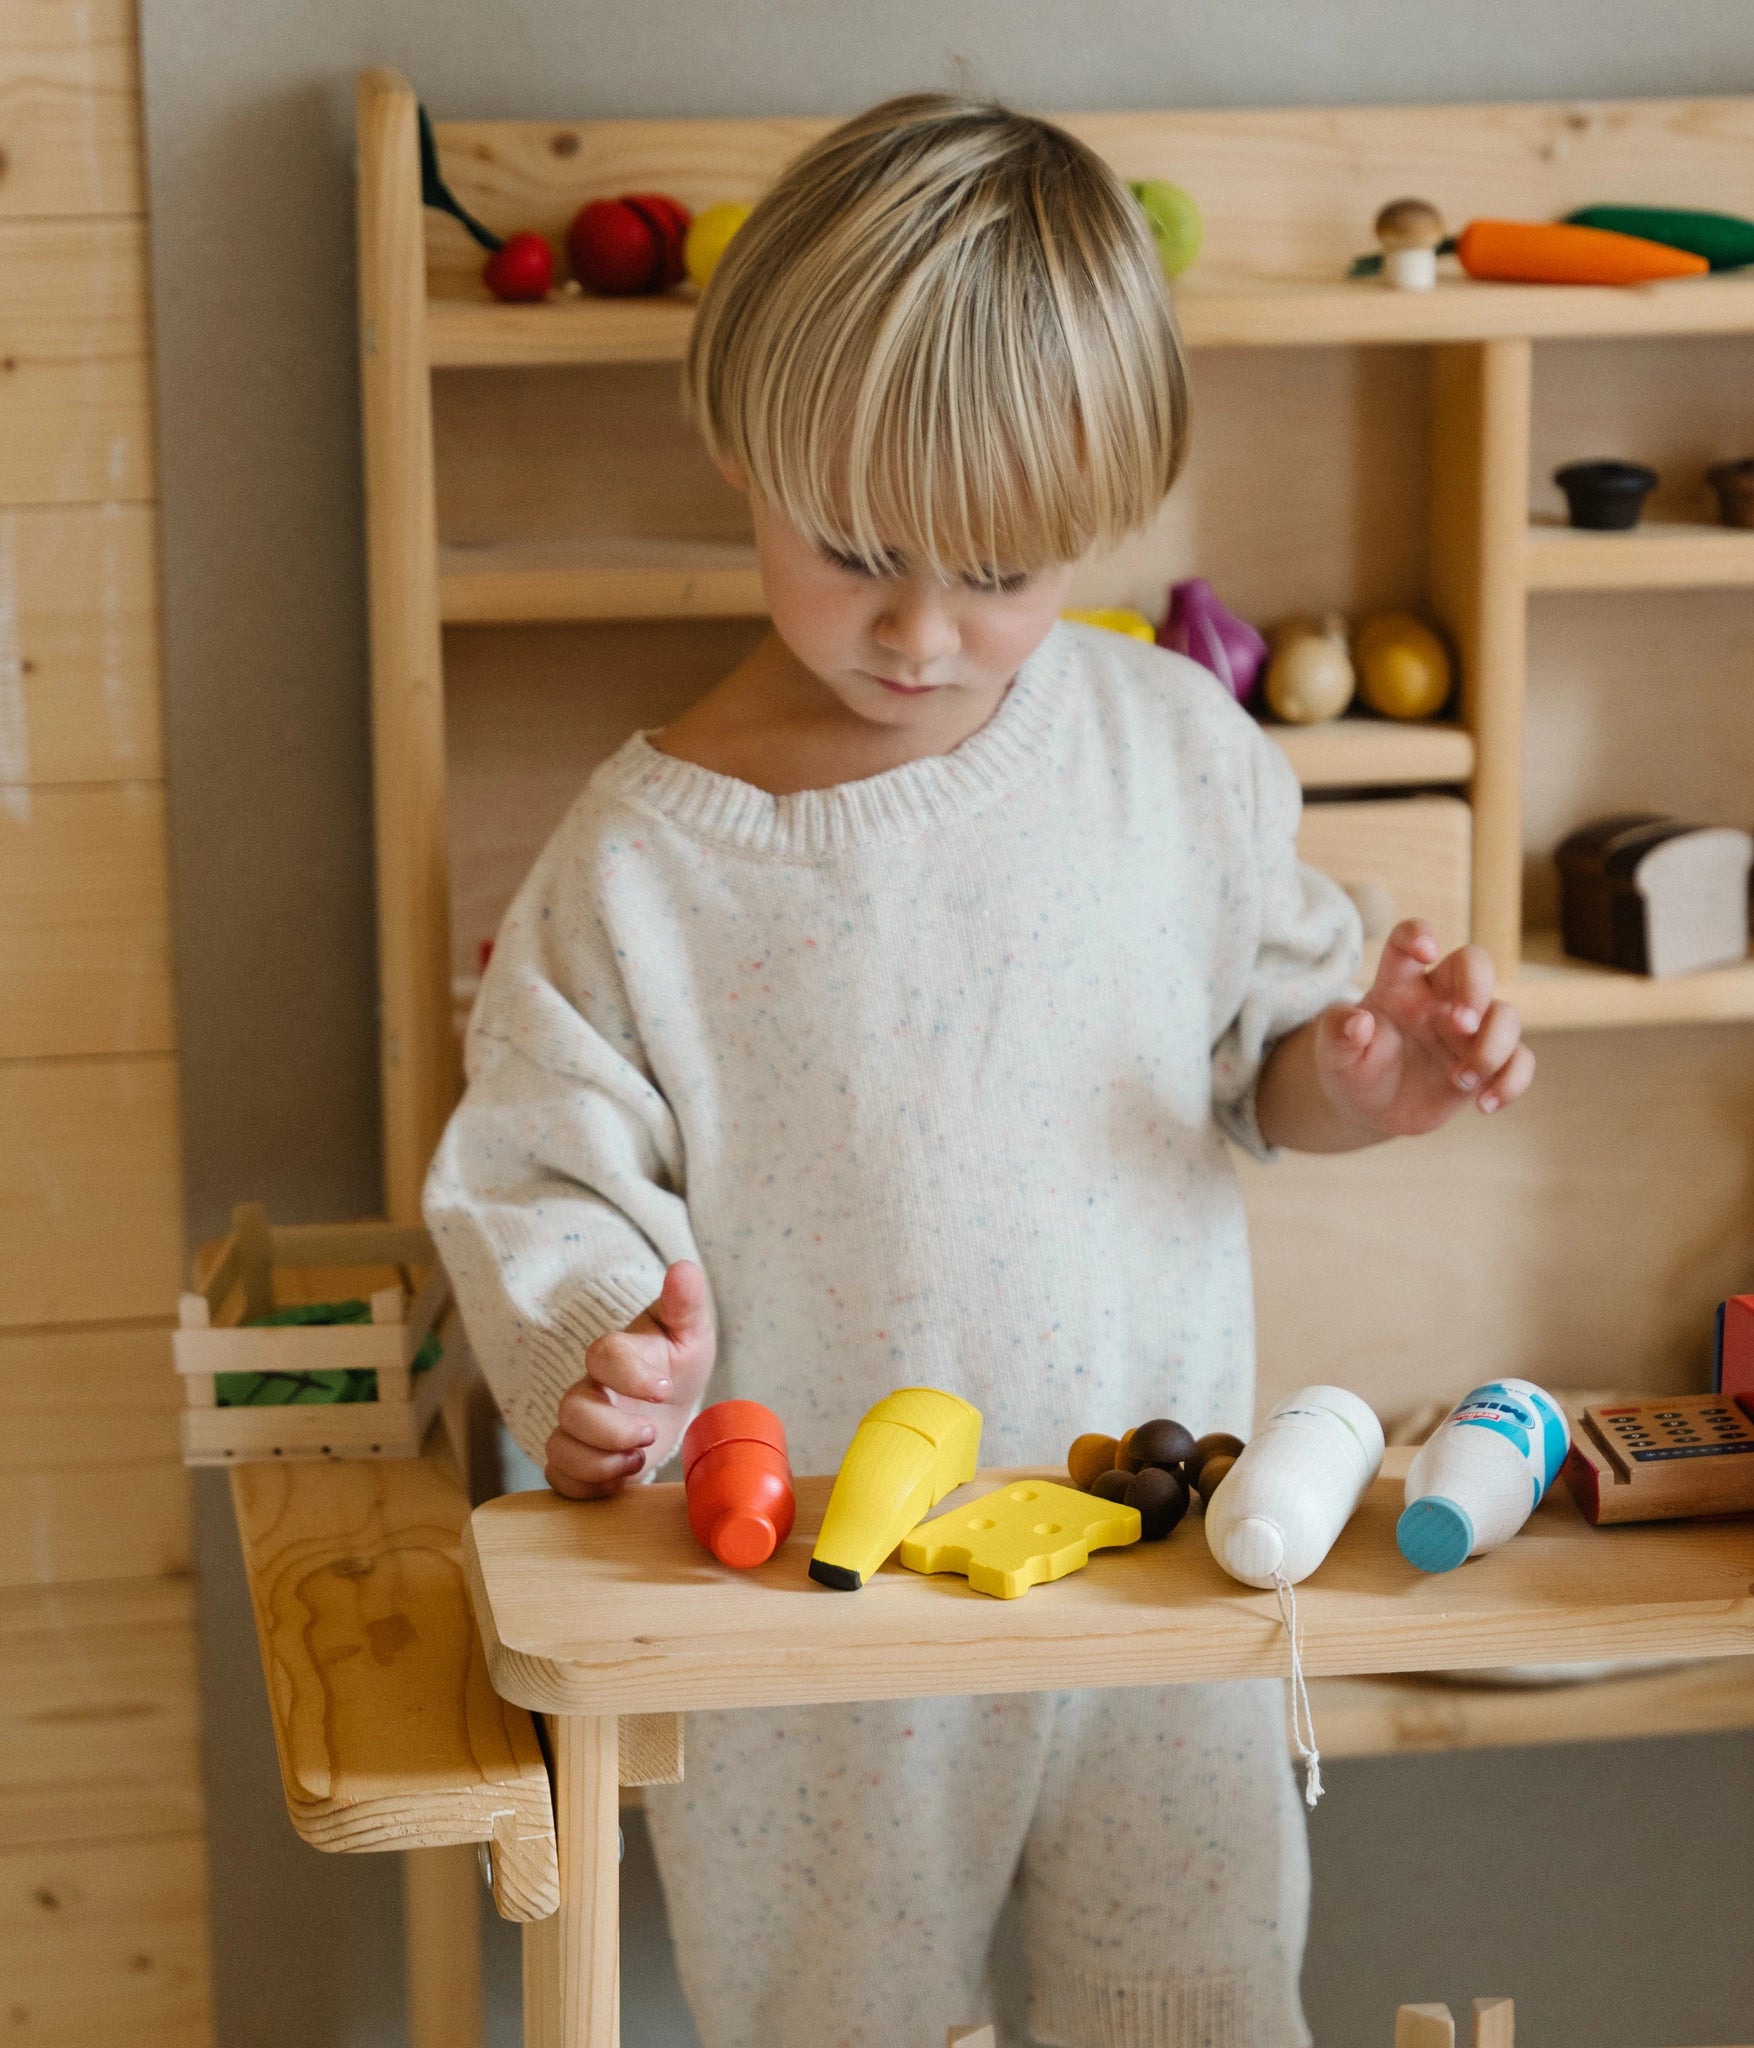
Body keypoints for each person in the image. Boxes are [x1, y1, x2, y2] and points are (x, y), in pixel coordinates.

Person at [425, 90, 1532, 2048]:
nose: (925, 632)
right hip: (829, 1638)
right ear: (739, 447)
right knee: (840, 2017)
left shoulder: (1165, 747)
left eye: (1003, 569)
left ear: (1103, 524)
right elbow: (538, 1185)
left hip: (1159, 1580)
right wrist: (604, 1362)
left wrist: (1355, 1082)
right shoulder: (642, 864)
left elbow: (1251, 1065)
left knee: (1189, 1999)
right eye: (856, 552)